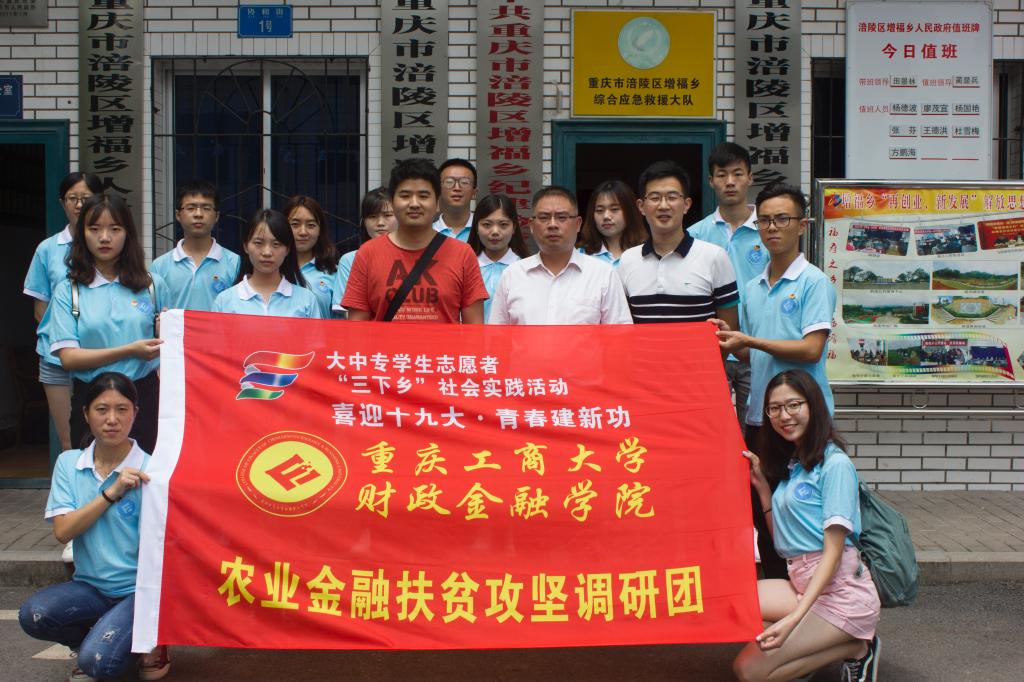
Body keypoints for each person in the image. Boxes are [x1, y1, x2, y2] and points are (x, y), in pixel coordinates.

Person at [18, 372, 171, 681]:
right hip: (90, 588)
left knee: (99, 664)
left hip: (139, 592)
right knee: (33, 615)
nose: (112, 419)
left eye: (122, 409)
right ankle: (95, 640)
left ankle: (152, 639)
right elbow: (63, 531)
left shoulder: (154, 470)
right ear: (86, 414)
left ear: (135, 413)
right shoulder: (69, 463)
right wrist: (111, 493)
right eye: (102, 409)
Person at [733, 369, 880, 682]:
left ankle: (857, 647)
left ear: (813, 406)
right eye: (774, 408)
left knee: (749, 671)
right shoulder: (797, 465)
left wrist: (794, 620)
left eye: (793, 405)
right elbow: (784, 542)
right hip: (801, 583)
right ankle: (813, 643)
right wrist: (762, 488)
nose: (784, 416)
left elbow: (833, 554)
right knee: (733, 603)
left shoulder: (835, 465)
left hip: (841, 596)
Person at [48, 194, 168, 454]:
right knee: (92, 472)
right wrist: (129, 350)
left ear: (128, 233)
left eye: (114, 229)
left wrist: (165, 333)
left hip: (144, 398)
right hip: (91, 397)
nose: (104, 237)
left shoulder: (152, 285)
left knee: (145, 472)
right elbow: (68, 358)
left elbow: (169, 345)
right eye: (94, 229)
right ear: (82, 234)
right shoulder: (68, 290)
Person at [343, 158, 489, 323]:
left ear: (437, 203)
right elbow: (357, 328)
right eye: (405, 195)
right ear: (393, 202)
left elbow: (474, 329)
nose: (414, 204)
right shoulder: (368, 254)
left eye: (423, 196)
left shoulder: (462, 254)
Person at [24, 171, 103, 452]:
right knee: (68, 438)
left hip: (98, 353)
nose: (80, 205)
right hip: (55, 356)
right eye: (73, 198)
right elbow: (40, 309)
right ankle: (72, 481)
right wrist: (66, 340)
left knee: (102, 432)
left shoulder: (107, 246)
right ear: (62, 202)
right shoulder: (47, 249)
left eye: (87, 198)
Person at [688, 143, 765, 430]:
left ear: (750, 177)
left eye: (737, 174)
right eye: (722, 175)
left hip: (755, 348)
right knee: (709, 429)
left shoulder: (768, 231)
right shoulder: (695, 234)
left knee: (756, 432)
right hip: (710, 352)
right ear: (711, 181)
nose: (730, 182)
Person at [616, 160, 739, 336]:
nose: (663, 206)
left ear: (686, 204)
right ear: (641, 207)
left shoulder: (714, 257)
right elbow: (622, 328)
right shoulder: (628, 260)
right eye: (655, 198)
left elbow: (730, 334)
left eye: (672, 197)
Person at [488, 186, 632, 325]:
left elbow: (620, 335)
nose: (552, 224)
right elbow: (497, 335)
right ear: (531, 225)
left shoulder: (603, 275)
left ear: (578, 224)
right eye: (544, 217)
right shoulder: (512, 275)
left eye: (561, 217)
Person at [149, 180, 240, 311]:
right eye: (191, 208)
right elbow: (153, 312)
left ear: (216, 216)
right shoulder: (159, 266)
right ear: (178, 215)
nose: (198, 214)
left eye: (206, 208)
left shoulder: (234, 262)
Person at [212, 209, 322, 318]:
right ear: (246, 246)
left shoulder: (307, 300)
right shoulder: (224, 301)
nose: (267, 252)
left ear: (287, 249)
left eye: (276, 244)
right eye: (258, 243)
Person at [467, 193, 530, 322]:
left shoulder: (527, 269)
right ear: (476, 228)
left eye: (503, 224)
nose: (495, 231)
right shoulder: (466, 268)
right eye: (487, 224)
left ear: (514, 228)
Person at [335, 187, 398, 303]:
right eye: (372, 217)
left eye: (388, 215)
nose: (380, 223)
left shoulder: (412, 255)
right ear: (363, 221)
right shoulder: (350, 260)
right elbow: (344, 308)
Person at [283, 195, 339, 318]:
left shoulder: (334, 273)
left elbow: (341, 320)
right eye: (295, 224)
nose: (303, 232)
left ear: (320, 230)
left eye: (311, 225)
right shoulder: (272, 270)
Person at [577, 179, 647, 266]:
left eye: (614, 209)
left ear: (630, 211)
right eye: (599, 210)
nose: (606, 216)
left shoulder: (646, 253)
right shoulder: (580, 256)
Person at [432, 158, 477, 241]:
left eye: (464, 182)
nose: (457, 188)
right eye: (449, 182)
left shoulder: (483, 231)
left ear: (474, 193)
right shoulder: (428, 233)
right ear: (438, 190)